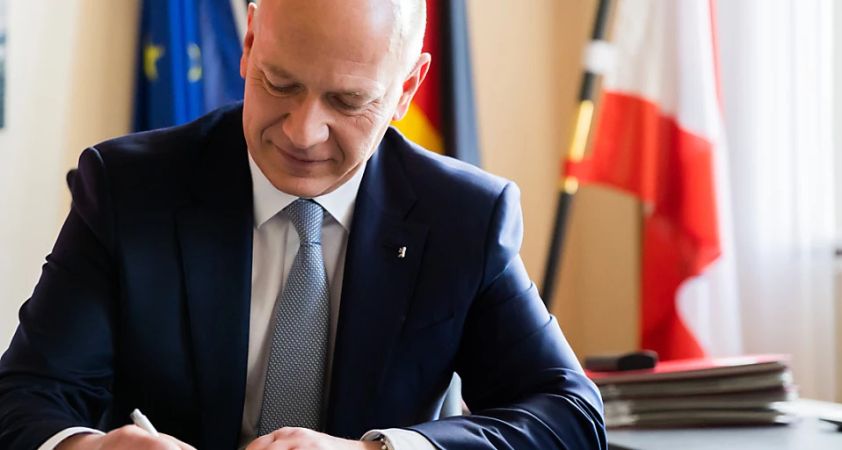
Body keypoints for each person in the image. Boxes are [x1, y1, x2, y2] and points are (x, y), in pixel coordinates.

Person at [0, 0, 607, 449]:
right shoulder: (127, 189)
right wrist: (89, 447)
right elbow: (23, 396)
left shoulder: (464, 217)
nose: (301, 132)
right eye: (279, 84)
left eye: (346, 102)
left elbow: (569, 413)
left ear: (407, 90)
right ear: (250, 42)